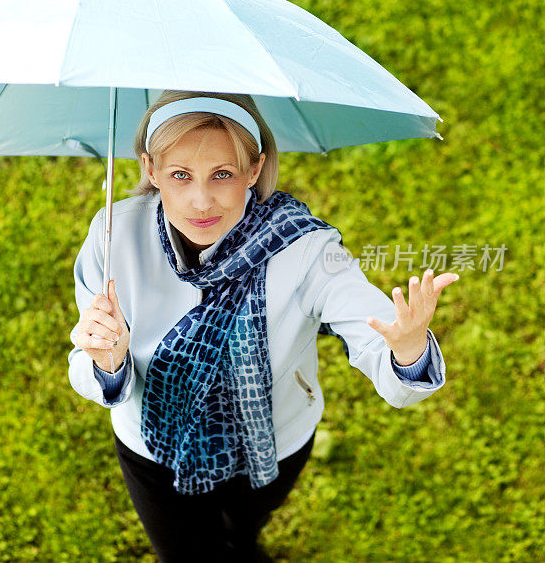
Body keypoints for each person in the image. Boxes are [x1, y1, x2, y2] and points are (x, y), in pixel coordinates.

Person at [67, 90, 455, 562]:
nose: (201, 199)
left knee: (242, 532)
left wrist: (407, 350)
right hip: (151, 448)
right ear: (151, 170)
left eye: (223, 174)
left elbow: (373, 329)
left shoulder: (307, 247)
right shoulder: (113, 236)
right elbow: (89, 360)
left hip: (275, 441)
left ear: (254, 170)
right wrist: (106, 362)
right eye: (180, 175)